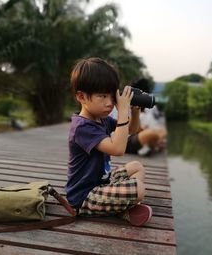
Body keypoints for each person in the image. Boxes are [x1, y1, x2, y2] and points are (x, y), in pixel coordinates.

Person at [65, 57, 152, 226]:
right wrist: (122, 112)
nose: (109, 103)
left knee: (137, 166)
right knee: (139, 189)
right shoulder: (82, 127)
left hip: (102, 182)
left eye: (112, 97)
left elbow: (131, 131)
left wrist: (133, 112)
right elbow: (118, 149)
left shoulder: (101, 119)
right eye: (102, 96)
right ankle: (123, 208)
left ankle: (121, 206)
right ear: (81, 97)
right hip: (84, 196)